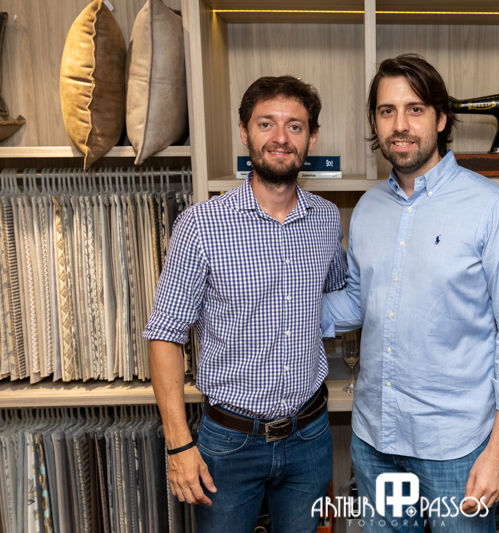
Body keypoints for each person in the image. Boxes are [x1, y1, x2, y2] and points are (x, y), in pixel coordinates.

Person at [322, 54, 499, 532]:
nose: (400, 125)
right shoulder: (367, 208)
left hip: (456, 450)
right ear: (375, 122)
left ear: (441, 119)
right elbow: (359, 301)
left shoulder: (493, 209)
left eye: (415, 109)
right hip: (376, 440)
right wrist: (284, 310)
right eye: (387, 111)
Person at [144, 76, 346, 533]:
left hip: (310, 434)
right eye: (266, 123)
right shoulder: (201, 225)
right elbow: (164, 334)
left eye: (295, 126)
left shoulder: (326, 219)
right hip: (229, 443)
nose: (280, 138)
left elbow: (338, 293)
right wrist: (178, 445)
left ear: (312, 138)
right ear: (244, 132)